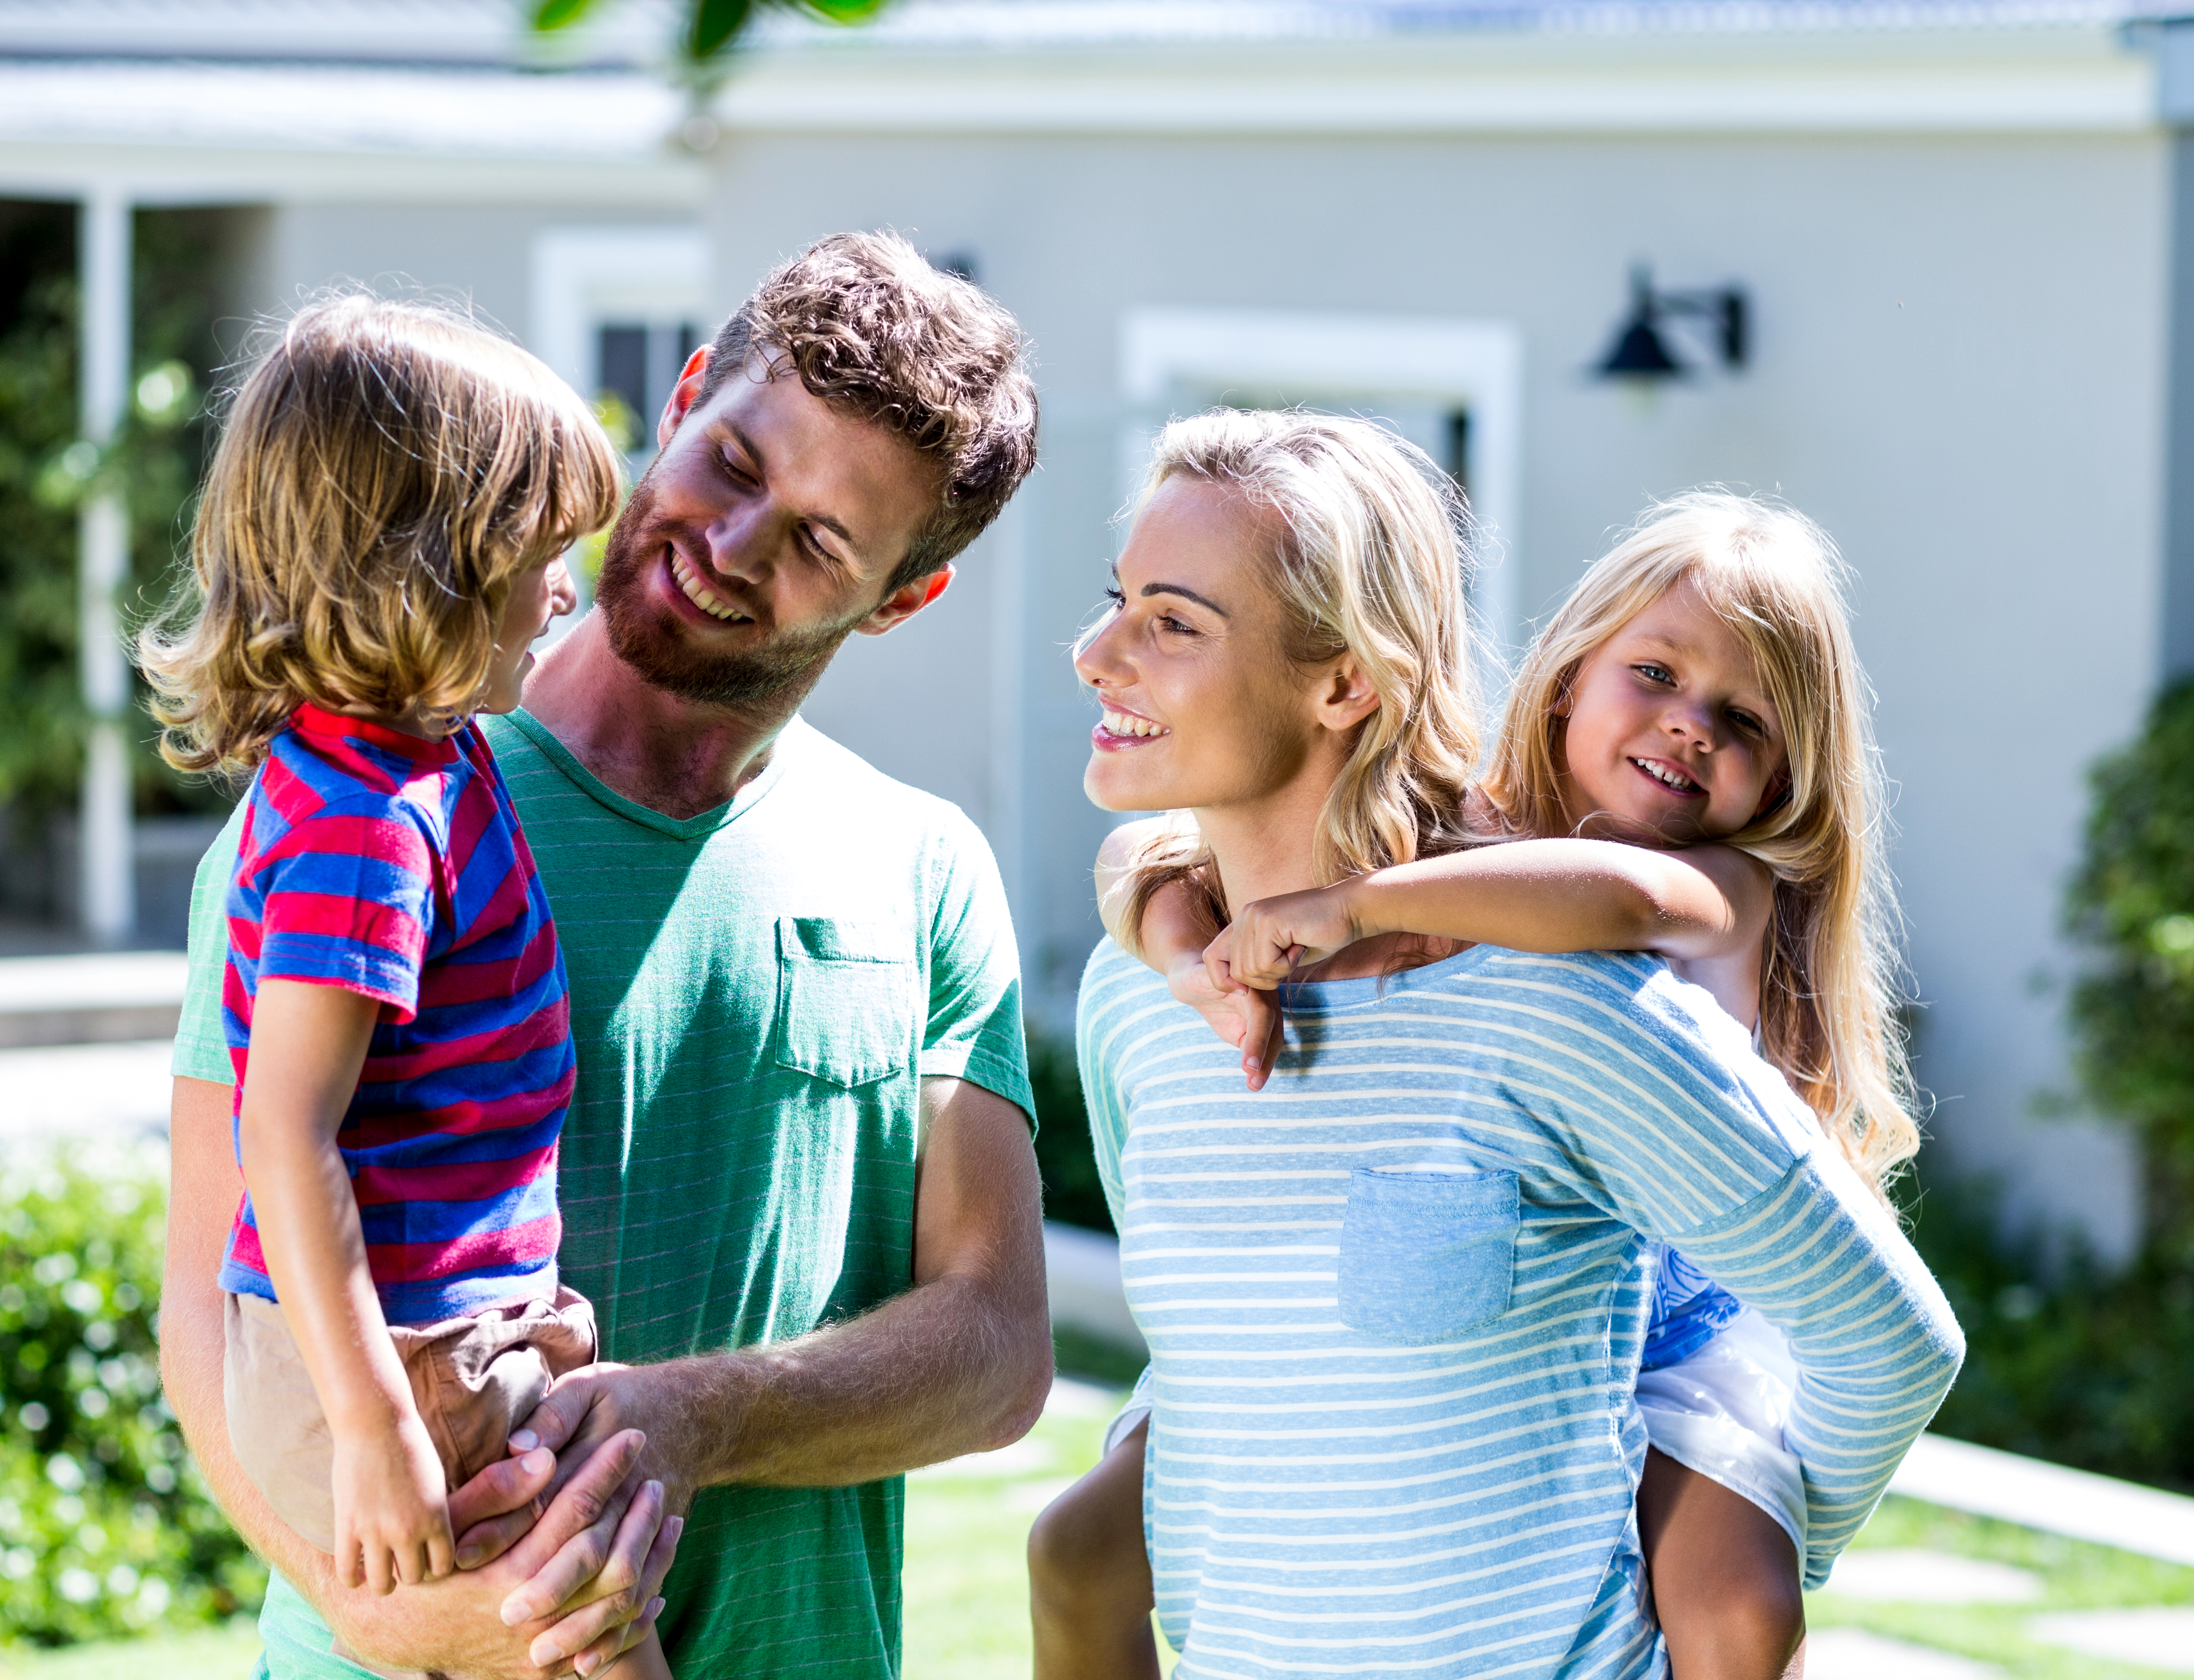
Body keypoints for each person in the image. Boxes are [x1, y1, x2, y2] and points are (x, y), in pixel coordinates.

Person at [160, 232, 1052, 1680]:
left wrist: (698, 1413)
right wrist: (418, 1616)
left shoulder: (923, 865)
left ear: (902, 597)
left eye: (825, 539)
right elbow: (217, 1307)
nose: (736, 544)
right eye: (736, 462)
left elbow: (1000, 1345)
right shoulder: (363, 811)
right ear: (689, 390)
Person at [1028, 410, 1959, 1680]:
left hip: (1688, 1329)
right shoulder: (1144, 1002)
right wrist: (1170, 931)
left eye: (1173, 621)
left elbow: (1891, 1339)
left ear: (1349, 679)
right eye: (1115, 602)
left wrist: (1766, 1512)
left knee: (1737, 1607)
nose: (1094, 654)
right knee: (1072, 1546)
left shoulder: (1574, 987)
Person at [136, 300, 675, 1677]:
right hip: (386, 1359)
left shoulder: (430, 765)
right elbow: (284, 1129)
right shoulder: (361, 822)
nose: (569, 587)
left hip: (435, 1330)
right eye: (541, 552)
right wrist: (377, 1425)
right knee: (588, 1641)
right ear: (428, 568)